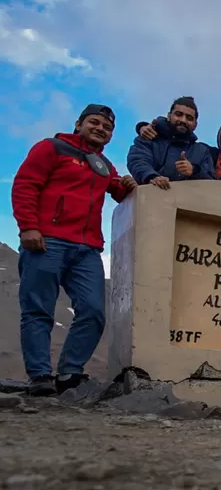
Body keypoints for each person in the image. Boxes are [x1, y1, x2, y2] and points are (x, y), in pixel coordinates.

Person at [11, 104, 138, 396]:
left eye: (107, 127)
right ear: (79, 124)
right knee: (38, 309)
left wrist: (127, 185)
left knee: (93, 311)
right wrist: (28, 227)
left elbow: (117, 190)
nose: (100, 129)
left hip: (87, 249)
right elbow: (25, 185)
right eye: (94, 122)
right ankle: (40, 375)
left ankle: (70, 372)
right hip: (47, 240)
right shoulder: (52, 148)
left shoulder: (103, 164)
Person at [126, 96, 215, 188]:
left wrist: (194, 170)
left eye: (189, 118)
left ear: (195, 125)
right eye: (178, 114)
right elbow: (137, 161)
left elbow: (212, 182)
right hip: (149, 196)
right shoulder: (149, 136)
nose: (183, 120)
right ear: (169, 116)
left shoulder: (202, 151)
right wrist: (152, 177)